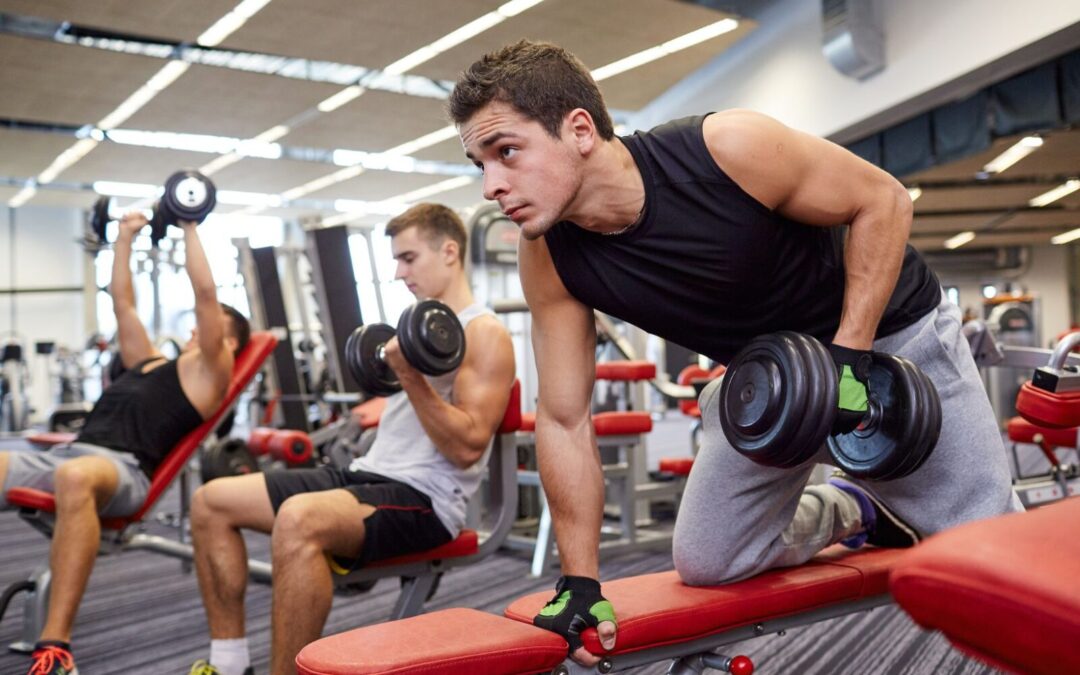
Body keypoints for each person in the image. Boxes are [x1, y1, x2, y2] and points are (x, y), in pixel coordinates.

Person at [450, 40, 1020, 666]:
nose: (491, 186)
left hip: (889, 337)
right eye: (480, 163)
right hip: (772, 377)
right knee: (711, 560)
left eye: (506, 152)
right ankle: (853, 508)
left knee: (992, 557)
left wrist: (848, 360)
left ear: (579, 129)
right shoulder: (550, 258)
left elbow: (883, 199)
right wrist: (581, 582)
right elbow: (564, 417)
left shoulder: (727, 149)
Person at [188, 203, 515, 675]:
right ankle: (230, 663)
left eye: (408, 258)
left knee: (300, 519)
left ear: (449, 252)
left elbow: (466, 447)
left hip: (425, 499)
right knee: (210, 502)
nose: (400, 273)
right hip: (367, 475)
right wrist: (392, 394)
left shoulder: (485, 333)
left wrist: (407, 375)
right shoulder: (417, 325)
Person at [0, 211, 249, 675]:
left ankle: (55, 650)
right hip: (68, 454)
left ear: (229, 343)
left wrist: (189, 223)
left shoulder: (209, 374)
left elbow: (207, 295)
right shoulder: (149, 362)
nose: (195, 329)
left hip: (121, 470)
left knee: (74, 477)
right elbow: (122, 303)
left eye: (209, 326)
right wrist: (124, 238)